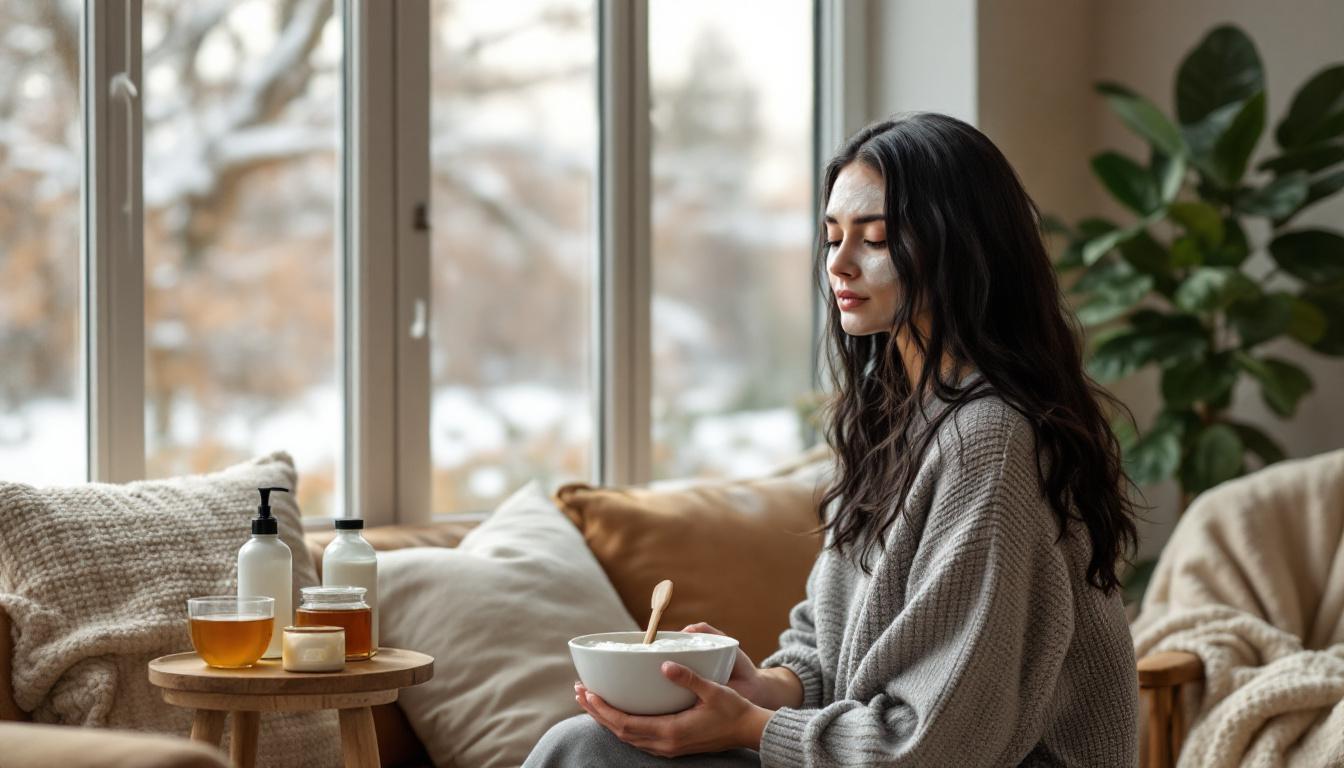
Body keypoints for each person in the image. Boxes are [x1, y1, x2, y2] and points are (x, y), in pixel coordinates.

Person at [524, 112, 1141, 767]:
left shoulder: (988, 440)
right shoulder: (899, 420)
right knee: (586, 746)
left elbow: (937, 743)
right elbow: (833, 638)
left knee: (584, 754)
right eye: (832, 235)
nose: (839, 264)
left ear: (960, 246)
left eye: (874, 239)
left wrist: (753, 727)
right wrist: (767, 687)